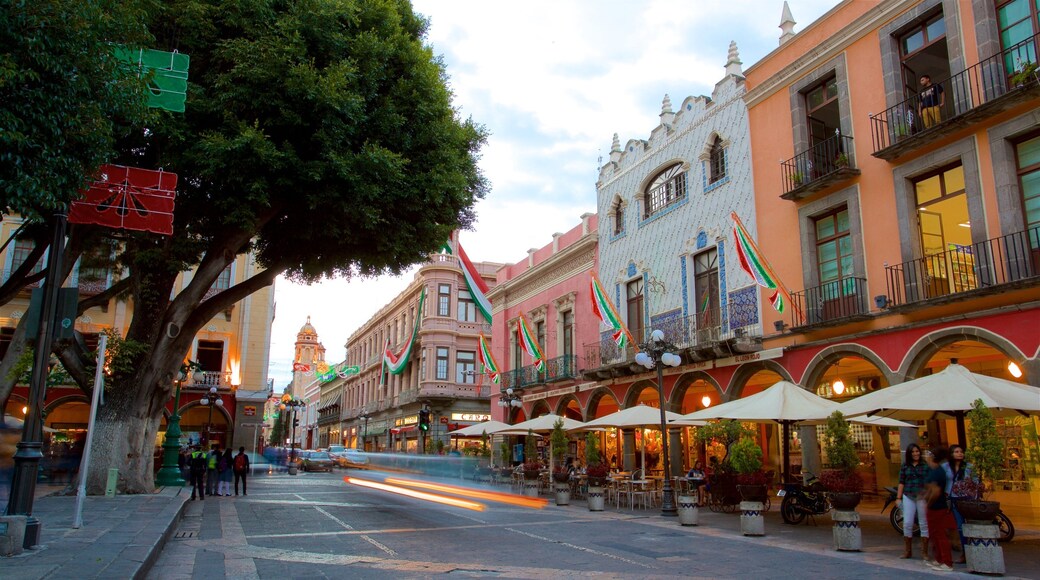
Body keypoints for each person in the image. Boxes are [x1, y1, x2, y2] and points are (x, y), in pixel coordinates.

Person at [924, 447, 957, 571]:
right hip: (935, 507)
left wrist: (928, 503)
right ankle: (939, 559)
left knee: (940, 535)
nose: (926, 456)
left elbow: (936, 491)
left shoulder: (938, 472)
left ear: (932, 456)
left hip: (937, 507)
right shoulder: (935, 470)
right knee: (935, 534)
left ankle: (947, 562)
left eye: (928, 453)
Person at [897, 443, 930, 560]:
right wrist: (898, 498)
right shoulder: (905, 466)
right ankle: (908, 551)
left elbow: (929, 482)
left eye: (917, 451)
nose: (916, 453)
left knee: (923, 523)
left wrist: (927, 495)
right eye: (913, 452)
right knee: (907, 523)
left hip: (922, 496)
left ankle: (924, 552)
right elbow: (901, 482)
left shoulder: (925, 465)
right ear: (909, 454)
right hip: (908, 495)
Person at [946, 444, 976, 564]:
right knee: (960, 526)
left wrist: (975, 495)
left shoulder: (969, 467)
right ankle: (964, 553)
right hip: (954, 499)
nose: (960, 454)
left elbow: (975, 481)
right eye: (956, 452)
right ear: (951, 454)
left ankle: (973, 552)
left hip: (968, 499)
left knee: (970, 525)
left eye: (961, 451)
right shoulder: (947, 467)